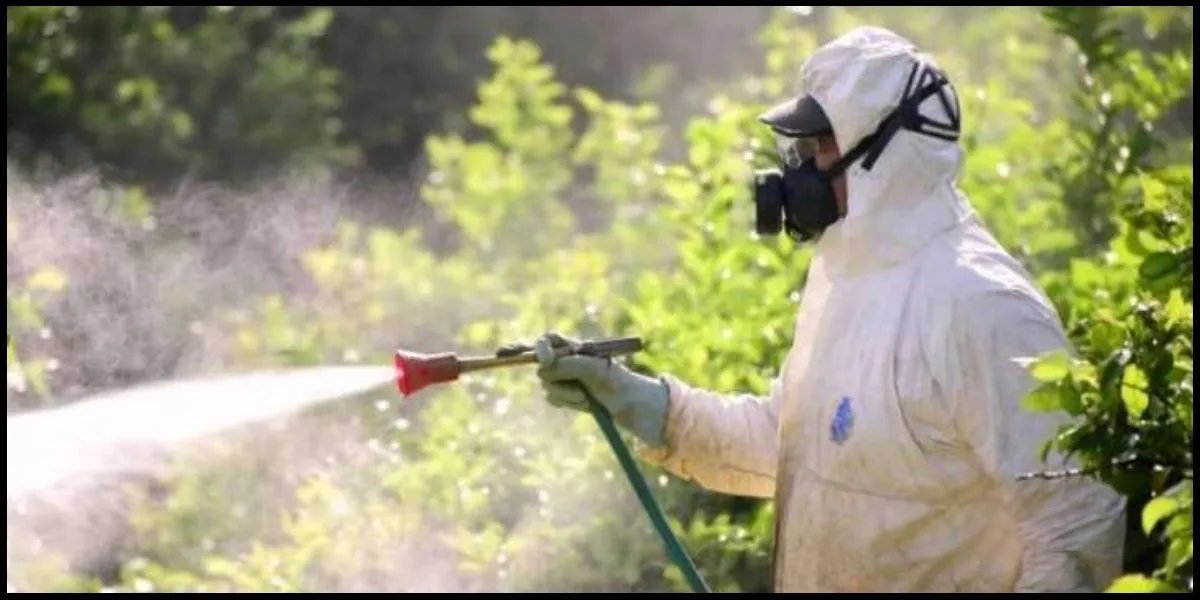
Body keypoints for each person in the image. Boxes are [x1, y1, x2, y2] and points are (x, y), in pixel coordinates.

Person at [532, 26, 1126, 592]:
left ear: (888, 152)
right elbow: (793, 445)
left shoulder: (984, 308)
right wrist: (635, 400)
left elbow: (1075, 530)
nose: (801, 169)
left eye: (822, 145)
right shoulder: (846, 278)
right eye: (805, 146)